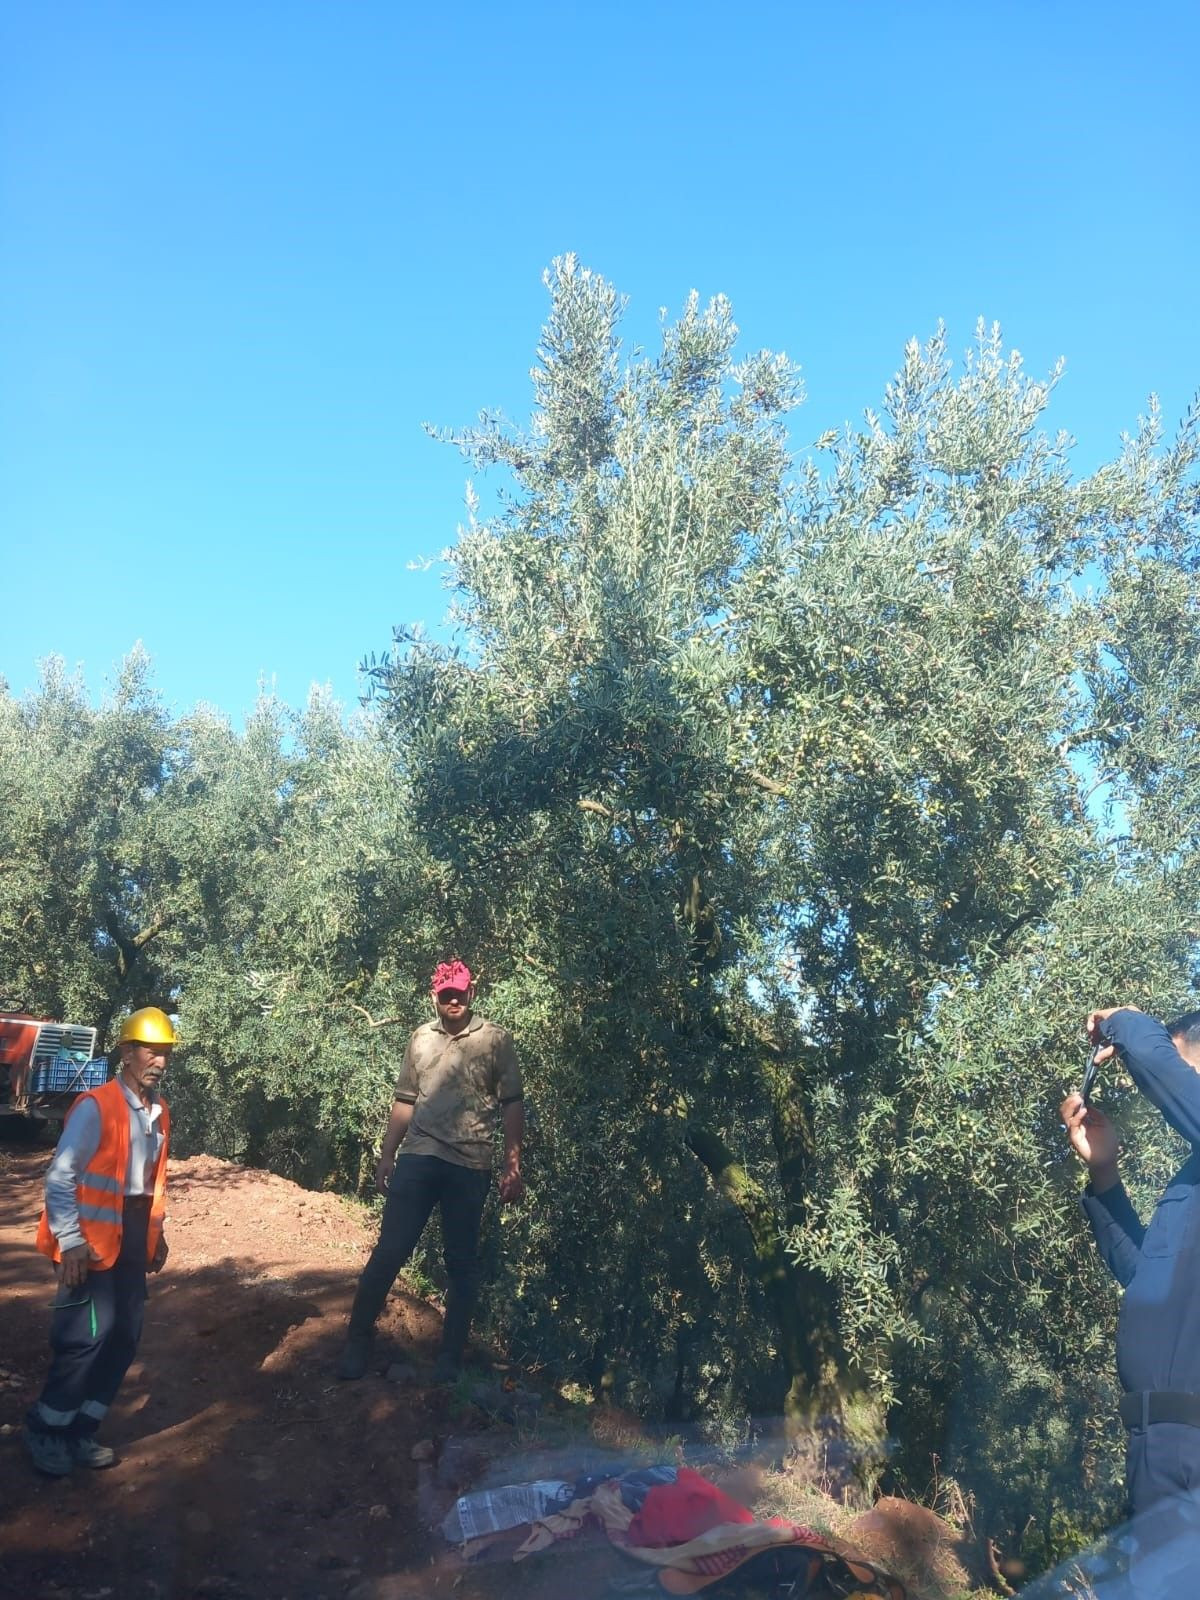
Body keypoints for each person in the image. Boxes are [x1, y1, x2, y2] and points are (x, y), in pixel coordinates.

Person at [1061, 1004, 1200, 1584]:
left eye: (1187, 1067)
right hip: (1160, 1446)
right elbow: (1146, 1280)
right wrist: (1105, 1176)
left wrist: (1122, 1020)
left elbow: (1154, 1061)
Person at [337, 961, 525, 1383]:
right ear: (434, 996)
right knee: (390, 1250)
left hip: (470, 1163)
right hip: (419, 1155)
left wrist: (513, 1163)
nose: (453, 1000)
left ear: (472, 991)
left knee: (462, 1263)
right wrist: (388, 1154)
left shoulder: (496, 1040)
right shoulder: (420, 1039)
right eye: (446, 994)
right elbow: (405, 1099)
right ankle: (356, 1342)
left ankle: (449, 1360)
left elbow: (513, 1102)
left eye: (459, 992)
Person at [23, 1006, 175, 1477]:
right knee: (86, 1336)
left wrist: (157, 1235)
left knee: (125, 1335)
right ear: (127, 1053)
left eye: (166, 1053)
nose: (161, 1062)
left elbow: (150, 1182)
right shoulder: (96, 1106)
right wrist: (69, 1242)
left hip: (131, 1239)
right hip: (87, 1242)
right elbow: (60, 1177)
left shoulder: (159, 1112)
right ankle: (46, 1429)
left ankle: (82, 1430)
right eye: (152, 1051)